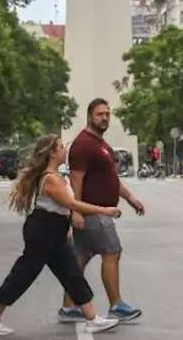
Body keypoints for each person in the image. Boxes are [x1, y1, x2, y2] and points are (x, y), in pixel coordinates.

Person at [0, 135, 121, 337]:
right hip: (42, 230)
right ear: (53, 153)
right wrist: (104, 210)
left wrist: (66, 229)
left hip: (53, 229)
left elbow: (64, 210)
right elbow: (71, 204)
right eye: (61, 147)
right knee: (25, 273)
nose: (65, 151)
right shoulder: (50, 179)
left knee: (71, 273)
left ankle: (93, 319)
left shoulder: (56, 176)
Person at [58, 98, 146, 323]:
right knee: (112, 253)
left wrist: (130, 198)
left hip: (97, 211)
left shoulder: (100, 144)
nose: (105, 118)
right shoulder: (83, 144)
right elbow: (76, 179)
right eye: (100, 114)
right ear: (90, 116)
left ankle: (68, 307)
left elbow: (111, 179)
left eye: (107, 114)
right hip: (94, 212)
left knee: (80, 258)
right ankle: (116, 305)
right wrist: (75, 211)